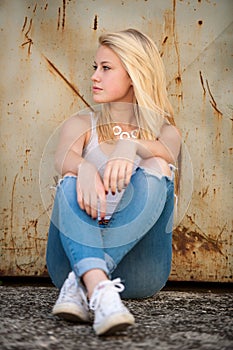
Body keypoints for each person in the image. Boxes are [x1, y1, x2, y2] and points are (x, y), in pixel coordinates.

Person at [46, 28, 181, 336]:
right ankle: (99, 289)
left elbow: (166, 153)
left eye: (106, 68)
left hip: (140, 271)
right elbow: (61, 159)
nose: (95, 76)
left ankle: (84, 284)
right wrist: (84, 168)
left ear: (134, 74)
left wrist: (131, 145)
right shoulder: (81, 124)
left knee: (158, 164)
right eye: (95, 67)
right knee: (69, 177)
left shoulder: (166, 131)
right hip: (66, 261)